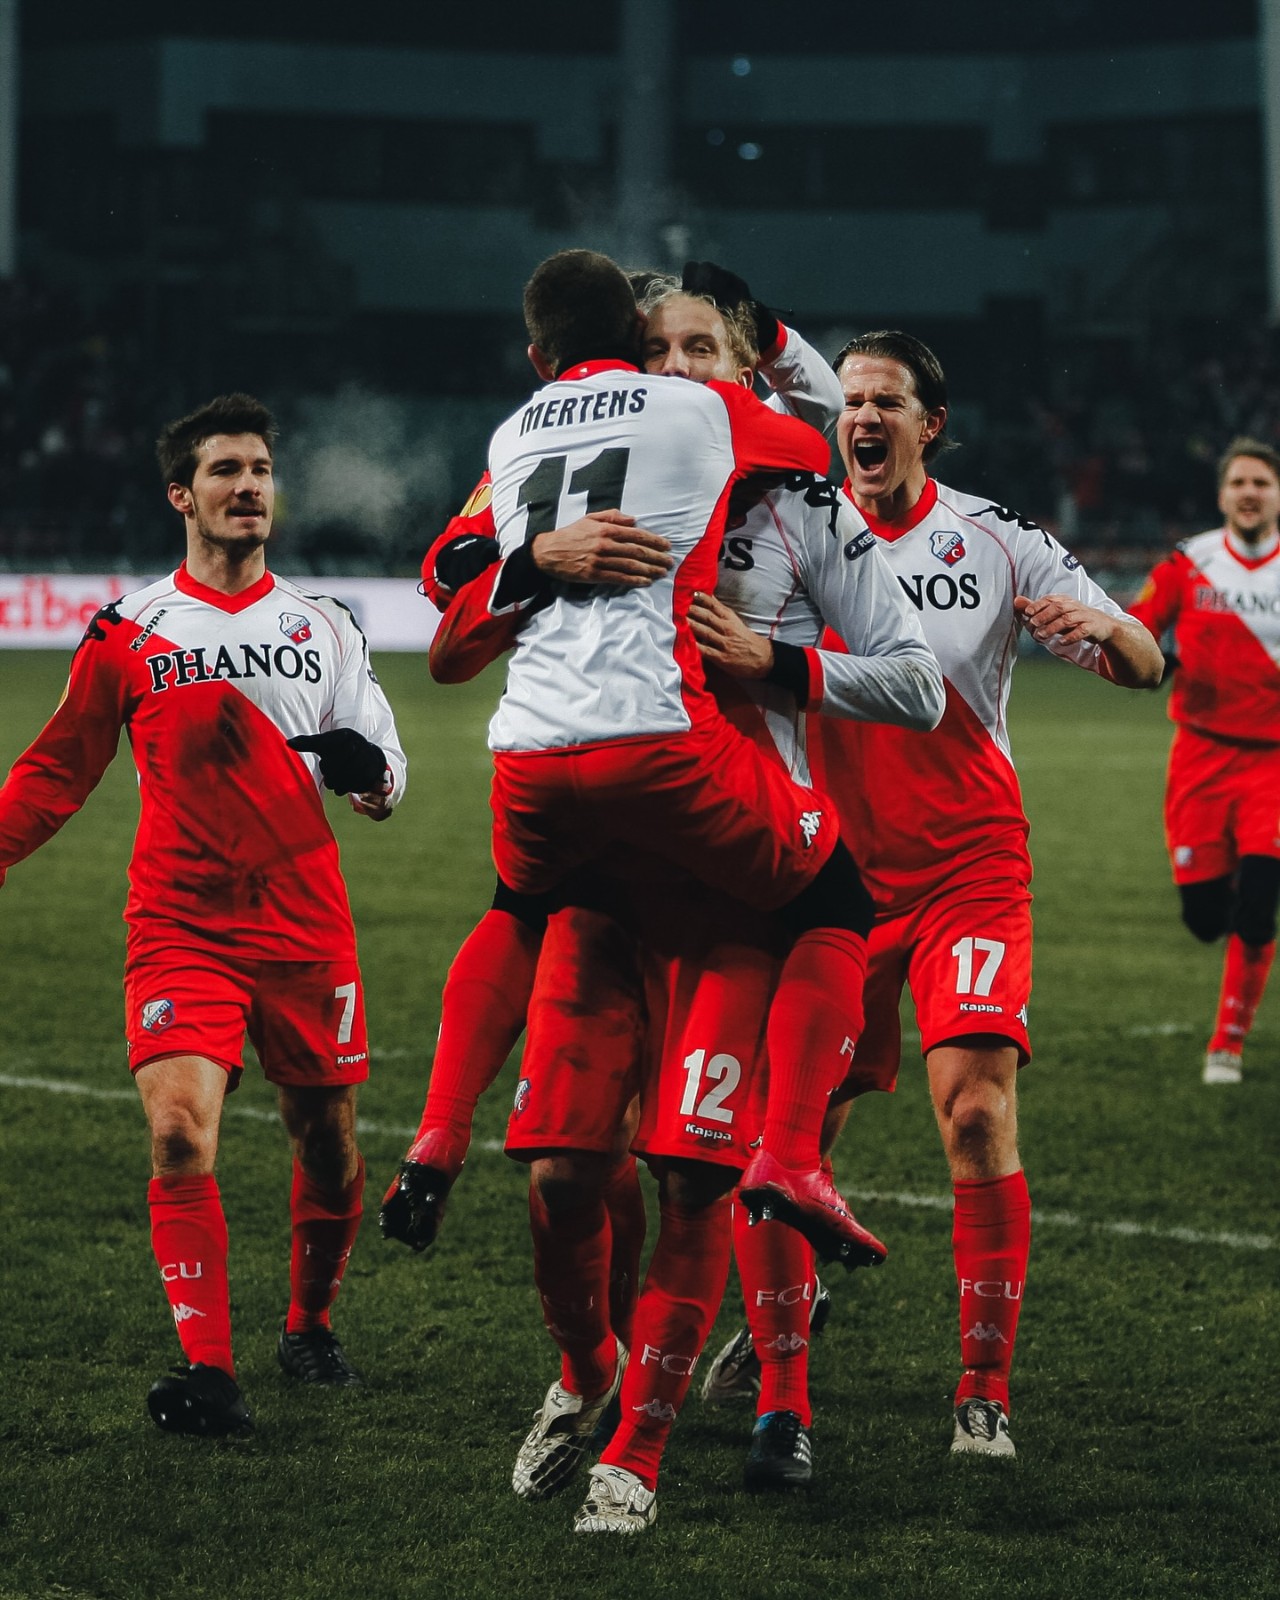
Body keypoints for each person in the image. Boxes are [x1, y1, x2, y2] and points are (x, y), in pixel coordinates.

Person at [399, 272, 943, 1534]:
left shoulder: (804, 507)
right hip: (608, 885)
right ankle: (583, 1370)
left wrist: (781, 663)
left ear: (744, 366)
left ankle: (639, 1452)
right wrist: (533, 554)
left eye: (705, 347)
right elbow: (449, 565)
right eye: (660, 347)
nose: (681, 366)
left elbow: (915, 682)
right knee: (558, 1178)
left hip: (725, 900)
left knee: (693, 1178)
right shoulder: (644, 453)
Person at [698, 329, 1164, 1473]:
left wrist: (1106, 631)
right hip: (828, 879)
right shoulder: (789, 531)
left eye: (885, 401)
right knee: (788, 1139)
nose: (861, 416)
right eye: (849, 399)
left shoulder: (995, 538)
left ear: (928, 424)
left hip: (968, 865)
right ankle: (782, 1394)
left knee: (973, 1115)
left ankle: (981, 1392)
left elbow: (1144, 660)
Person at [0, 393, 407, 1437]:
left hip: (304, 923)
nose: (249, 486)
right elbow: (57, 769)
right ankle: (209, 1370)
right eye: (225, 470)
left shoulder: (325, 624)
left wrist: (369, 772)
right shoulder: (128, 629)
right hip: (180, 923)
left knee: (328, 1143)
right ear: (182, 494)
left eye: (260, 469)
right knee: (180, 1135)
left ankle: (309, 1325)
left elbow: (385, 770)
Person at [1128, 438, 1280, 1084]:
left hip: (1274, 764)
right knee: (1204, 919)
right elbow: (1137, 626)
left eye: (1262, 483)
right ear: (1221, 495)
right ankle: (1239, 884)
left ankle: (1228, 1042)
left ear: (1277, 495)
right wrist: (1150, 660)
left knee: (1258, 906)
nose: (1250, 493)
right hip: (1200, 757)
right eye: (1239, 482)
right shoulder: (1189, 562)